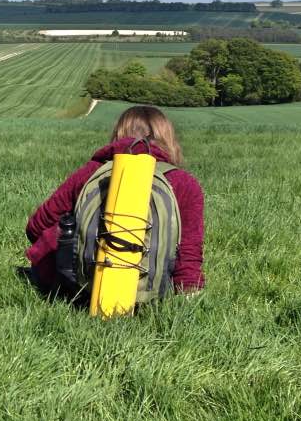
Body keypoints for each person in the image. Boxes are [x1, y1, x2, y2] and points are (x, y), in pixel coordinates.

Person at [22, 105, 204, 296]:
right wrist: (188, 296)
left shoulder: (93, 172)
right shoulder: (185, 183)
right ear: (168, 139)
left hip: (79, 292)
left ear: (119, 134)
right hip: (151, 295)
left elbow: (37, 226)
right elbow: (189, 251)